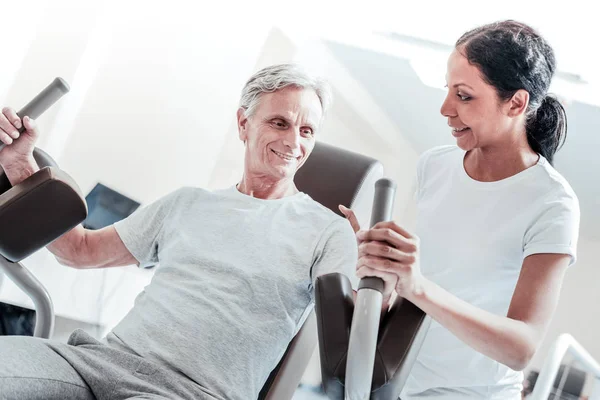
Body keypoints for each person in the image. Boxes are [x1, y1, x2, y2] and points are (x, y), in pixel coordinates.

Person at [0, 64, 394, 400]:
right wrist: (19, 164)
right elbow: (78, 250)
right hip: (96, 361)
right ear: (244, 123)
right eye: (280, 123)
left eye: (307, 131)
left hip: (191, 393)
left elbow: (357, 329)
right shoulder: (187, 203)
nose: (294, 141)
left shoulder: (328, 231)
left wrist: (380, 277)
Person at [340, 20, 580, 399]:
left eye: (464, 96)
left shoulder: (553, 204)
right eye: (447, 91)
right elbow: (426, 283)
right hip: (398, 378)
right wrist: (385, 270)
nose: (445, 109)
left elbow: (522, 347)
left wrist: (418, 285)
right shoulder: (434, 165)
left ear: (515, 103)